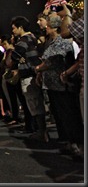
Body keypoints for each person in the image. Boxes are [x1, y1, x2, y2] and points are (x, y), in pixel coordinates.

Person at [34, 16, 82, 150]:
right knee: (59, 113)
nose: (46, 28)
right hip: (52, 84)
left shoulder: (62, 42)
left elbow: (52, 61)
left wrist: (38, 69)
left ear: (55, 28)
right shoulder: (50, 42)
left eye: (48, 26)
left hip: (61, 84)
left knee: (67, 114)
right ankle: (66, 140)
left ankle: (73, 142)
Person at [10, 16, 45, 140]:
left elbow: (13, 56)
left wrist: (16, 54)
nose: (12, 31)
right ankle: (39, 130)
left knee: (34, 104)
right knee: (36, 103)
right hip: (35, 73)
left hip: (28, 75)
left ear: (20, 27)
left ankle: (41, 132)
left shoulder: (23, 40)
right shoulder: (33, 38)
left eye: (14, 28)